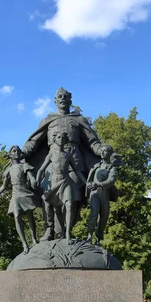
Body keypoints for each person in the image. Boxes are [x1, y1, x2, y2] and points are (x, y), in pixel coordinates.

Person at [22, 87, 104, 240]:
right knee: (47, 196)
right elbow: (34, 142)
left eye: (65, 96)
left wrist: (102, 150)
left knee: (73, 198)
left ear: (70, 100)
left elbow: (93, 142)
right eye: (59, 96)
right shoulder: (48, 121)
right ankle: (50, 229)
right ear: (55, 100)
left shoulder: (79, 120)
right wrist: (23, 152)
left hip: (75, 162)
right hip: (53, 164)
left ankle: (66, 231)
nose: (62, 98)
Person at [36, 130, 87, 244]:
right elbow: (41, 169)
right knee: (48, 203)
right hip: (54, 181)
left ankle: (68, 233)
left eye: (63, 138)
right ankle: (49, 228)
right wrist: (37, 179)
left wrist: (86, 182)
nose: (61, 139)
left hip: (65, 180)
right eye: (59, 137)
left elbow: (77, 171)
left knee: (69, 205)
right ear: (54, 139)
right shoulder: (51, 154)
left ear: (66, 141)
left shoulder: (68, 155)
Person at [0, 145, 40, 254]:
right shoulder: (8, 170)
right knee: (17, 216)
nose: (16, 152)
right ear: (10, 154)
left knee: (30, 215)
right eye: (14, 151)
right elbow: (4, 186)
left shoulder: (25, 166)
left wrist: (33, 180)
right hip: (15, 195)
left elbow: (31, 176)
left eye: (18, 151)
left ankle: (34, 239)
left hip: (25, 193)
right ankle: (24, 244)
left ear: (20, 154)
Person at [86, 144, 118, 245]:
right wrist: (89, 185)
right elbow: (89, 180)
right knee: (94, 213)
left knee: (104, 217)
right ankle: (89, 235)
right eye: (101, 151)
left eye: (105, 151)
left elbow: (111, 181)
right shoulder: (96, 167)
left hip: (104, 194)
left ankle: (99, 238)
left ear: (109, 153)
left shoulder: (112, 169)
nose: (102, 153)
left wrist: (98, 184)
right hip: (94, 193)